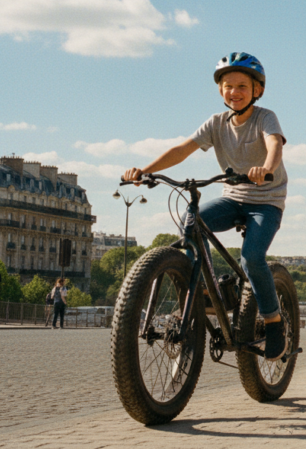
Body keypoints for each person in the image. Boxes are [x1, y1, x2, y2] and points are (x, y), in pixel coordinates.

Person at [122, 52, 290, 361]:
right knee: (192, 219)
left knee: (252, 256)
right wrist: (145, 171)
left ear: (258, 90)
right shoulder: (216, 123)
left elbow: (274, 145)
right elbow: (182, 149)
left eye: (242, 86)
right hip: (232, 197)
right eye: (227, 86)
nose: (234, 92)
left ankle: (274, 321)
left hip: (266, 201)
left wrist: (265, 168)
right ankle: (196, 286)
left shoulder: (265, 117)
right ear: (220, 90)